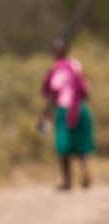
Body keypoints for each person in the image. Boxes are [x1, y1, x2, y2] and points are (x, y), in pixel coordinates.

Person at [39, 36, 95, 190]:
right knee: (81, 145)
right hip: (82, 109)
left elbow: (54, 94)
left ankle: (67, 181)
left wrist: (45, 115)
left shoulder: (57, 70)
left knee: (63, 147)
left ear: (54, 52)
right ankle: (85, 169)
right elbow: (86, 90)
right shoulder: (76, 65)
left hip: (65, 110)